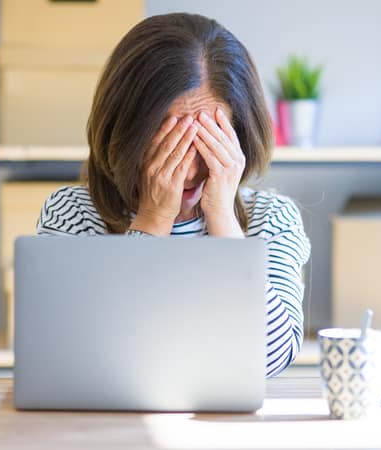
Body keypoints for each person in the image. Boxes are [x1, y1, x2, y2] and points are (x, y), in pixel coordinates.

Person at [37, 13, 311, 378]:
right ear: (125, 130)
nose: (188, 168)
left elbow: (270, 358)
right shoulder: (72, 214)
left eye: (209, 140)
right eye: (170, 141)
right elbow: (84, 356)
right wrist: (152, 220)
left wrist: (223, 220)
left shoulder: (272, 219)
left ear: (239, 137)